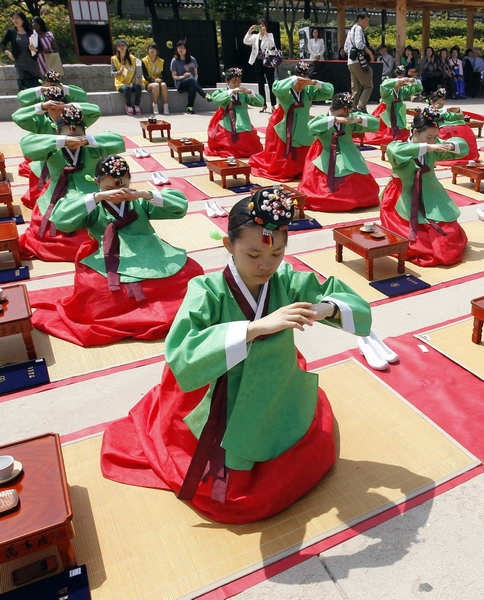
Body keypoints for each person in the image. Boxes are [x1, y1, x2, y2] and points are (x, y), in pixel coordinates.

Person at [101, 187, 372, 524]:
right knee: (236, 497)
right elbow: (182, 351)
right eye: (253, 255)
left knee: (304, 452)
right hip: (221, 390)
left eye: (276, 255)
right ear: (228, 246)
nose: (266, 265)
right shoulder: (208, 289)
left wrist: (323, 307)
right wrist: (252, 328)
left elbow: (352, 303)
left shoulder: (285, 279)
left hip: (275, 385)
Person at [30, 155, 203, 347]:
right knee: (96, 290)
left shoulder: (139, 202)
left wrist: (145, 194)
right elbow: (61, 219)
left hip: (150, 252)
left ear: (129, 179)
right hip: (107, 257)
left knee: (191, 271)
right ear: (96, 182)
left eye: (122, 186)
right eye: (108, 189)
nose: (117, 194)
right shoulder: (94, 206)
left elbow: (180, 206)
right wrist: (97, 197)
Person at [18, 105, 125, 262]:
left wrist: (86, 141)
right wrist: (63, 141)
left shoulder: (92, 148)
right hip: (56, 196)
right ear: (59, 132)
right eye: (67, 129)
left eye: (77, 130)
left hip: (88, 194)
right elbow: (27, 144)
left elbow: (117, 141)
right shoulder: (52, 148)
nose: (73, 132)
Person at [380, 107, 469, 267]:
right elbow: (393, 151)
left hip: (430, 193)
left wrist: (445, 145)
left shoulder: (434, 146)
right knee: (418, 241)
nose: (433, 141)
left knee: (447, 234)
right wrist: (428, 147)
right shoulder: (400, 147)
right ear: (414, 132)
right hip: (403, 197)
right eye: (428, 137)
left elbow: (463, 147)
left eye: (435, 137)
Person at [13, 86, 100, 209]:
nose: (55, 110)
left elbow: (96, 110)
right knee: (45, 200)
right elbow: (17, 116)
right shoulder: (41, 120)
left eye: (58, 105)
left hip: (81, 186)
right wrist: (42, 105)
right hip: (48, 166)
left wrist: (68, 105)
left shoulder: (74, 119)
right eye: (51, 106)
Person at [249, 61, 333, 181]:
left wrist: (314, 83)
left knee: (304, 162)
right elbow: (276, 88)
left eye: (305, 80)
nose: (302, 84)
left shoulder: (308, 91)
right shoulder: (285, 92)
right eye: (300, 80)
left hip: (303, 129)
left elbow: (329, 92)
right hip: (285, 128)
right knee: (283, 168)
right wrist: (294, 79)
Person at [298, 92, 380, 212]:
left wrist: (357, 120)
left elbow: (375, 122)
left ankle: (355, 199)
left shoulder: (350, 117)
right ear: (335, 108)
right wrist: (334, 119)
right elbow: (311, 127)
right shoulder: (324, 119)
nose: (348, 113)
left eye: (349, 110)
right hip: (325, 153)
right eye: (345, 110)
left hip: (349, 153)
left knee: (357, 178)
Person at [206, 67, 264, 158]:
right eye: (234, 82)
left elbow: (260, 103)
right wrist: (231, 92)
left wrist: (251, 93)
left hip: (243, 122)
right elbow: (216, 99)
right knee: (230, 146)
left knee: (255, 148)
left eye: (238, 81)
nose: (237, 84)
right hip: (227, 123)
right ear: (228, 81)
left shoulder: (243, 93)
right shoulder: (222, 92)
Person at [364, 65, 423, 146]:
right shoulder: (387, 90)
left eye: (402, 77)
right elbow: (384, 85)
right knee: (385, 136)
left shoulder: (403, 90)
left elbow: (418, 89)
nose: (401, 81)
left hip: (398, 114)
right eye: (399, 78)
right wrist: (398, 80)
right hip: (386, 113)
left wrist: (414, 81)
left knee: (402, 135)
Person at [428, 87, 479, 165]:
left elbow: (456, 116)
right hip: (445, 130)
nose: (442, 101)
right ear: (431, 102)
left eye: (443, 99)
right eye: (439, 101)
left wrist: (456, 111)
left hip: (459, 128)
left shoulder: (446, 109)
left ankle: (468, 154)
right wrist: (442, 113)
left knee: (466, 130)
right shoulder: (428, 110)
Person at [243, 19, 277, 113]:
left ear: (265, 27)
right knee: (260, 84)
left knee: (271, 83)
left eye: (263, 26)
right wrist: (249, 31)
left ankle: (273, 105)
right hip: (258, 62)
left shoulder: (270, 35)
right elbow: (245, 41)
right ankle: (263, 104)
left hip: (268, 61)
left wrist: (266, 34)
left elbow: (272, 45)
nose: (261, 28)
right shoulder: (255, 36)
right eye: (259, 26)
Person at [343, 11, 374, 113]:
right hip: (358, 62)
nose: (367, 24)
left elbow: (346, 48)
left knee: (355, 89)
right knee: (368, 85)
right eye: (366, 21)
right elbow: (359, 44)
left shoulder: (351, 30)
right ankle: (361, 107)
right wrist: (369, 53)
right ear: (360, 19)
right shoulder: (359, 28)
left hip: (350, 62)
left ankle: (352, 108)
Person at [0, 11, 40, 90]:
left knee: (36, 88)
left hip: (32, 65)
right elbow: (2, 44)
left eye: (17, 18)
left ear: (23, 19)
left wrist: (34, 49)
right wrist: (8, 53)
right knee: (23, 89)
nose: (15, 20)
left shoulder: (31, 32)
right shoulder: (11, 32)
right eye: (13, 18)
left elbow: (39, 49)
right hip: (19, 64)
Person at [170, 40, 210, 115]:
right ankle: (205, 95)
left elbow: (196, 74)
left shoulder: (192, 59)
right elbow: (174, 77)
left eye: (182, 48)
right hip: (180, 84)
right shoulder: (174, 60)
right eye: (179, 48)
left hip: (192, 83)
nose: (180, 50)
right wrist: (183, 76)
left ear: (186, 49)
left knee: (192, 85)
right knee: (191, 80)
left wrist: (194, 81)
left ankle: (189, 107)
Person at [17, 69, 88, 106]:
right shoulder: (39, 97)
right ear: (44, 83)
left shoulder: (66, 96)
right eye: (50, 84)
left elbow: (83, 96)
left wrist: (64, 89)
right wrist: (42, 89)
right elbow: (21, 97)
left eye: (55, 84)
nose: (52, 87)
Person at [111, 39, 142, 116]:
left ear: (126, 47)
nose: (121, 47)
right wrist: (120, 72)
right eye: (119, 46)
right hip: (120, 84)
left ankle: (136, 105)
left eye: (123, 45)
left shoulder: (133, 59)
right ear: (117, 48)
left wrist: (132, 82)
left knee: (138, 87)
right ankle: (128, 106)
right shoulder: (114, 59)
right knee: (127, 88)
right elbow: (112, 73)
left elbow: (134, 72)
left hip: (130, 82)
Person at [142, 42, 169, 115]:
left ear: (157, 51)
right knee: (155, 85)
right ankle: (155, 105)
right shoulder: (144, 61)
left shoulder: (161, 61)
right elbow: (145, 76)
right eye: (150, 48)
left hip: (159, 81)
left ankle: (166, 106)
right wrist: (154, 80)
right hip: (148, 83)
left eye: (154, 49)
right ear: (147, 50)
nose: (152, 50)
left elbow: (165, 75)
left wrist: (160, 79)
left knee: (163, 85)